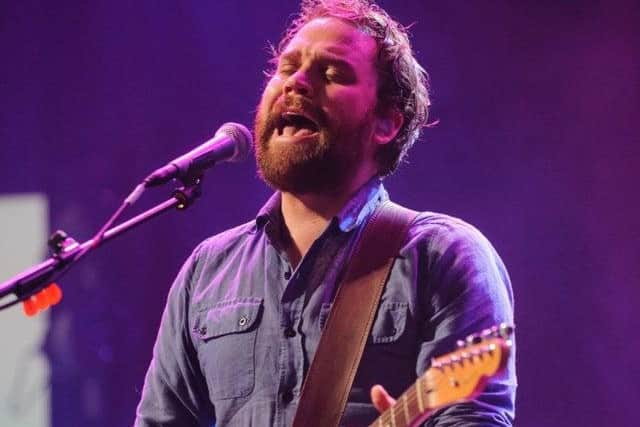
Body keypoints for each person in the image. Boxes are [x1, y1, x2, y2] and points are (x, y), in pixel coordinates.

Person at [135, 0, 516, 425]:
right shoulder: (208, 270)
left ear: (386, 123)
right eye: (286, 68)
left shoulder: (441, 256)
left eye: (331, 73)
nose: (296, 82)